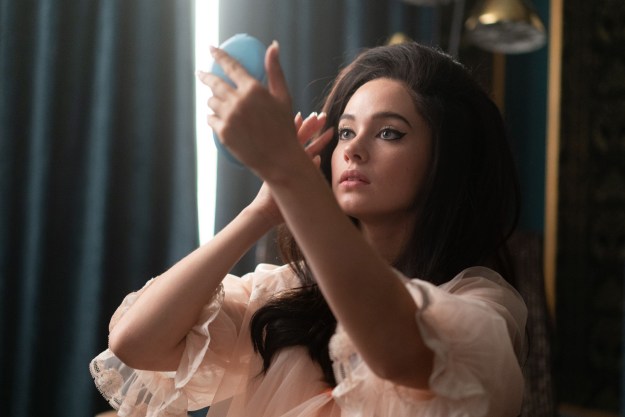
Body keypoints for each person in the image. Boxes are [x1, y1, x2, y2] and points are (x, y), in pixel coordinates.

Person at [90, 40, 527, 417]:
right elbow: (135, 343)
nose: (353, 148)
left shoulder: (479, 306)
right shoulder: (281, 298)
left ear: (446, 162)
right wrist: (259, 212)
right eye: (346, 131)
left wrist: (290, 174)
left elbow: (398, 350)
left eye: (390, 133)